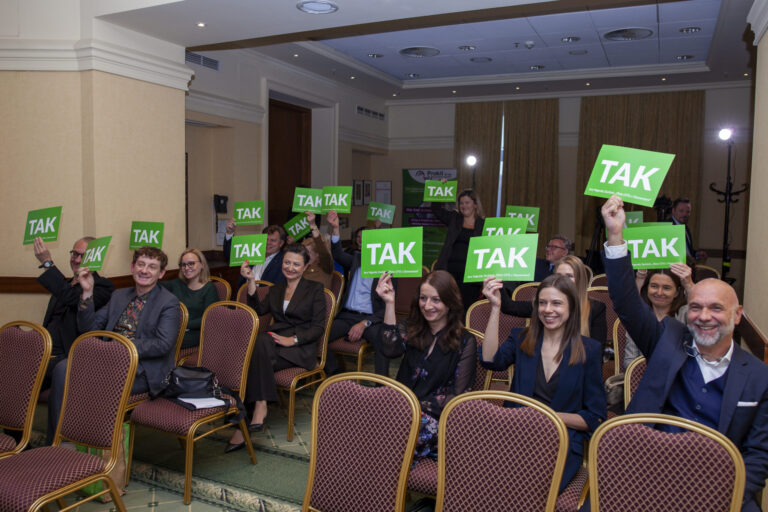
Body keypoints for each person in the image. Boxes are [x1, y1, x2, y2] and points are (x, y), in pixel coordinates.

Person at [601, 194, 768, 511]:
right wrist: (615, 234)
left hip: (719, 489)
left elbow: (758, 455)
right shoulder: (668, 339)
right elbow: (626, 302)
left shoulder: (760, 377)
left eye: (716, 308)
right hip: (646, 477)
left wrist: (723, 497)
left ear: (737, 316)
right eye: (696, 307)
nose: (704, 316)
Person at [481, 274, 606, 491]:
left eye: (556, 303)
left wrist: (547, 417)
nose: (548, 310)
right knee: (488, 481)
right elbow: (491, 361)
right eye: (542, 303)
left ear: (571, 307)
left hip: (560, 443)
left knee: (529, 488)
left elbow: (594, 417)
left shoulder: (589, 350)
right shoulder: (521, 338)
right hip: (514, 437)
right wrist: (495, 308)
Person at [47, 246, 180, 443]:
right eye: (141, 264)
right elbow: (89, 329)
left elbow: (162, 344)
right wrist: (87, 293)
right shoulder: (119, 295)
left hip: (141, 369)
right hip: (107, 361)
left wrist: (121, 347)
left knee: (89, 382)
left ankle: (92, 442)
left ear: (161, 273)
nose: (144, 270)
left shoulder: (169, 302)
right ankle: (58, 443)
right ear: (132, 267)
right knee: (62, 368)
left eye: (152, 267)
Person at [226, 243, 326, 452]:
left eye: (296, 264)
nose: (290, 267)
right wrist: (251, 280)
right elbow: (257, 309)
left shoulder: (315, 289)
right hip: (274, 345)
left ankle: (242, 421)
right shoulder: (276, 289)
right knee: (260, 345)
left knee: (254, 355)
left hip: (299, 349)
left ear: (305, 266)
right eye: (287, 262)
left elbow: (318, 328)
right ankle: (259, 405)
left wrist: (293, 340)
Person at [375, 270, 476, 459]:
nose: (427, 306)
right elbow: (390, 349)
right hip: (400, 413)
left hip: (436, 421)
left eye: (436, 300)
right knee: (365, 428)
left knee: (387, 443)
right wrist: (389, 303)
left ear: (450, 302)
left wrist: (413, 408)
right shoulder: (413, 326)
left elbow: (458, 397)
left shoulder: (465, 341)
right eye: (423, 298)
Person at [33, 236, 114, 389]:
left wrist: (47, 263)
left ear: (94, 258)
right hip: (44, 350)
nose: (76, 260)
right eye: (74, 254)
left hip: (70, 356)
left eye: (83, 256)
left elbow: (73, 299)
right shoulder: (64, 284)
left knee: (23, 373)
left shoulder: (103, 286)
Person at [324, 209, 391, 376]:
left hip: (371, 319)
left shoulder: (388, 269)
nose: (363, 243)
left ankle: (381, 384)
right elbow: (338, 254)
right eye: (361, 240)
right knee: (319, 334)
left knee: (383, 340)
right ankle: (335, 374)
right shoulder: (356, 259)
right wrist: (335, 228)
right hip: (347, 316)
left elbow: (387, 307)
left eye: (368, 240)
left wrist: (364, 323)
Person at [501, 254, 607, 350]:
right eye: (559, 276)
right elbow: (508, 307)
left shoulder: (596, 308)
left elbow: (597, 353)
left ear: (579, 279)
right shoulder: (544, 305)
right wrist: (496, 281)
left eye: (569, 276)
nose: (563, 280)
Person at [623, 264, 693, 367]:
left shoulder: (685, 314)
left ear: (677, 292)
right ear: (647, 288)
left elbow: (702, 306)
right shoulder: (639, 318)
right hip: (644, 375)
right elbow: (629, 362)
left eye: (666, 288)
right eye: (654, 286)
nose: (659, 293)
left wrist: (688, 284)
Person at [430, 188, 485, 311]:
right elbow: (436, 210)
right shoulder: (454, 218)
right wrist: (440, 187)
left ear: (475, 205)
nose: (464, 206)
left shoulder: (483, 224)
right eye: (461, 203)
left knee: (467, 307)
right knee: (448, 305)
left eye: (467, 202)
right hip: (450, 272)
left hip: (471, 275)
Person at [161, 249, 219, 351]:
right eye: (183, 265)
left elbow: (210, 318)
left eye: (191, 264)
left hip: (196, 333)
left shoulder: (209, 288)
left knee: (162, 342)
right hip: (174, 329)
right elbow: (154, 287)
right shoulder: (177, 284)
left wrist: (183, 324)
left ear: (202, 265)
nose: (187, 268)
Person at [223, 219, 287, 285]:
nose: (268, 243)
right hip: (243, 290)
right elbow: (230, 255)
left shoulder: (284, 262)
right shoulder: (252, 251)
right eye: (266, 239)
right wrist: (229, 233)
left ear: (281, 243)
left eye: (273, 240)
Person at [301, 211, 334, 289]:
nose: (304, 255)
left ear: (317, 254)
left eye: (308, 252)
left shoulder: (324, 266)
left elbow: (323, 251)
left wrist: (312, 225)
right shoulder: (300, 266)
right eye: (303, 251)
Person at [668, 197, 707, 261]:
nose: (685, 214)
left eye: (688, 212)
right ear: (673, 211)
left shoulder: (686, 229)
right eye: (681, 211)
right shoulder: (666, 227)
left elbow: (688, 252)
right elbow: (666, 253)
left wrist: (697, 254)